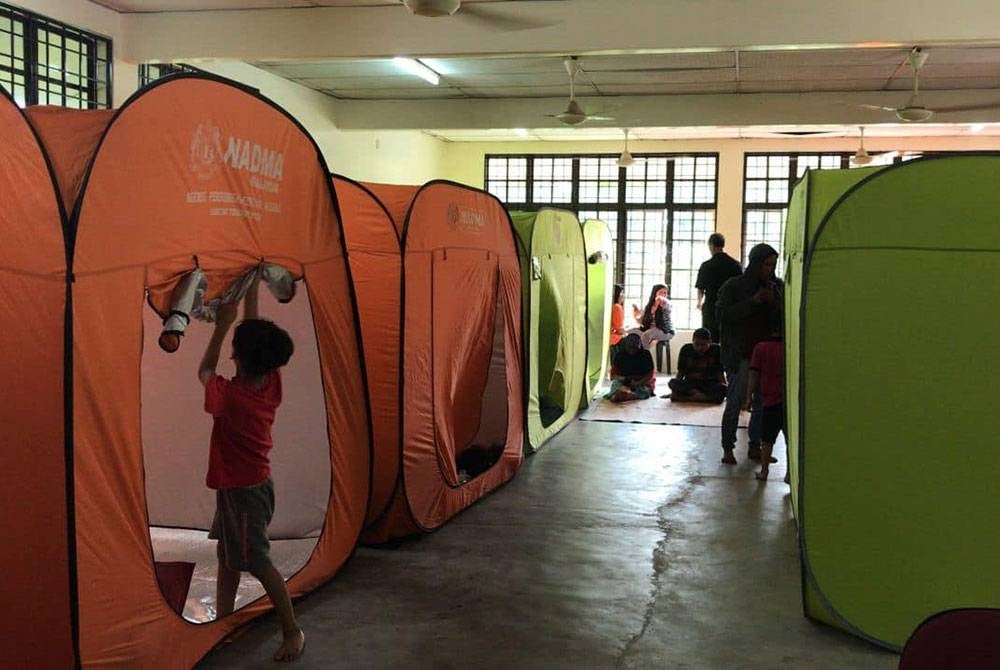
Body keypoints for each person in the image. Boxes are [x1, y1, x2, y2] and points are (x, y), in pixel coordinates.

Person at [198, 278, 305, 663]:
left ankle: (292, 631)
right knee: (228, 557)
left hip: (243, 493)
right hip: (243, 488)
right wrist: (250, 291)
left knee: (257, 562)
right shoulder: (269, 384)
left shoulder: (232, 399)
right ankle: (223, 622)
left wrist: (222, 325)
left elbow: (205, 370)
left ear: (237, 356)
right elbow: (255, 333)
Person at [716, 243, 783, 466]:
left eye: (773, 265)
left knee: (763, 404)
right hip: (740, 354)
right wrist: (752, 302)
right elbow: (723, 315)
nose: (769, 269)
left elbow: (784, 320)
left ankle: (756, 446)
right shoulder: (734, 286)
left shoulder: (776, 286)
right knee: (735, 402)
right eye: (766, 264)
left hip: (766, 357)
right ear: (755, 263)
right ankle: (728, 448)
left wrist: (774, 303)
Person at [746, 325, 788, 483]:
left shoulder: (761, 348)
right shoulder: (788, 348)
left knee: (767, 440)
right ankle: (790, 474)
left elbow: (754, 374)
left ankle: (764, 472)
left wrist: (748, 397)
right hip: (788, 402)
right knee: (789, 440)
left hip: (769, 401)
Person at [695, 233, 742, 342]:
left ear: (711, 245)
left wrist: (699, 302)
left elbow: (700, 288)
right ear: (722, 245)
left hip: (711, 307)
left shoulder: (706, 266)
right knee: (728, 339)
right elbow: (740, 287)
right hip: (730, 307)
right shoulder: (735, 265)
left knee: (710, 340)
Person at [667, 328, 727, 403]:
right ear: (692, 342)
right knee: (672, 382)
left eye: (703, 345)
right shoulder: (686, 349)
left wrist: (726, 389)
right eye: (696, 344)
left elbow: (720, 373)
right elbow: (681, 373)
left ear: (710, 342)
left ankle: (688, 398)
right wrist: (674, 389)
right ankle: (703, 397)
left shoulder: (717, 350)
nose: (699, 348)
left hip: (709, 384)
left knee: (723, 389)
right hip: (691, 384)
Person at [605, 333, 656, 402]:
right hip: (624, 382)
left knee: (645, 390)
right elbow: (613, 376)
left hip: (642, 382)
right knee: (616, 385)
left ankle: (629, 395)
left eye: (635, 348)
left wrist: (637, 383)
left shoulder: (645, 355)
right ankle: (622, 394)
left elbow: (650, 375)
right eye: (630, 347)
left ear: (639, 346)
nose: (632, 350)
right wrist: (625, 379)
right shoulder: (620, 356)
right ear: (626, 346)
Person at [638, 284, 674, 349]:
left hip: (665, 331)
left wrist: (661, 301)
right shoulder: (649, 305)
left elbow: (667, 305)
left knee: (646, 335)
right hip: (652, 329)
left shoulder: (666, 304)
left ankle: (645, 353)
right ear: (655, 293)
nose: (663, 294)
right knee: (634, 332)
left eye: (665, 293)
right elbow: (643, 321)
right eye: (660, 292)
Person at [609, 283, 627, 358]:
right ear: (618, 295)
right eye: (622, 292)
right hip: (614, 338)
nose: (624, 295)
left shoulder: (613, 306)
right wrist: (627, 331)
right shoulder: (617, 307)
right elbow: (619, 329)